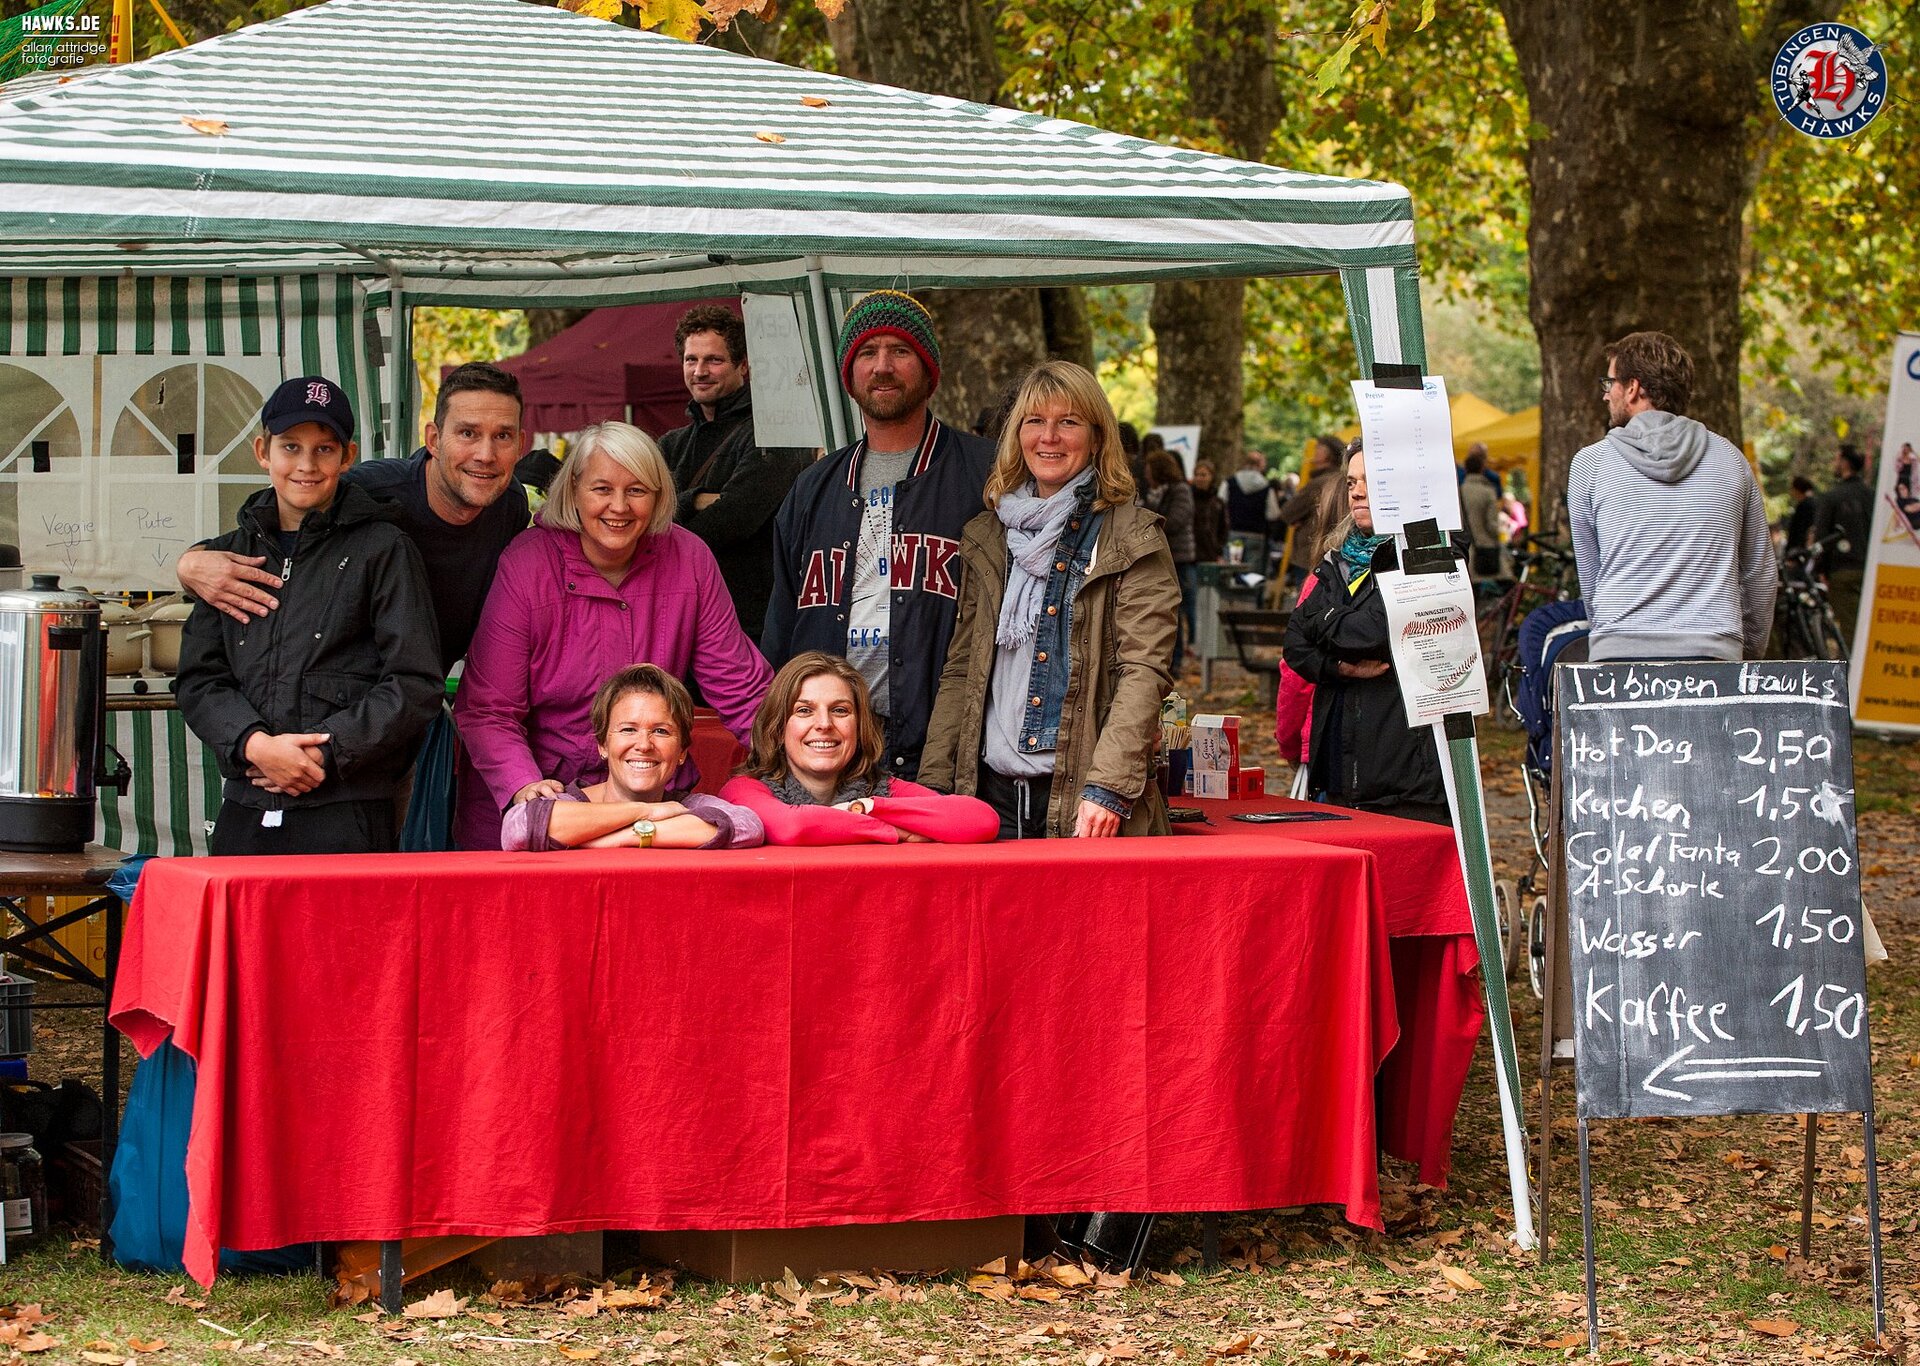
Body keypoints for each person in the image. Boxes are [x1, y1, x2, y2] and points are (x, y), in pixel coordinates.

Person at [454, 421, 773, 851]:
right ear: (573, 492)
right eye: (601, 489)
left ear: (659, 496)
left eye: (637, 490)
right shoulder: (528, 565)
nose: (619, 507)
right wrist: (525, 789)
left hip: (652, 796)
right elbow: (489, 709)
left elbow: (741, 686)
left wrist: (798, 766)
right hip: (540, 800)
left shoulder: (690, 558)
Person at [175, 376, 442, 855]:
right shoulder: (225, 561)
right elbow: (199, 680)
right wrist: (253, 745)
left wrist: (325, 751)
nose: (305, 465)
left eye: (324, 449)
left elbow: (413, 682)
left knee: (345, 933)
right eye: (290, 446)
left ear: (348, 456)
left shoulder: (383, 550)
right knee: (248, 932)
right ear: (262, 450)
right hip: (246, 803)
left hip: (349, 806)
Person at [920, 360, 1180, 840]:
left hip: (1083, 798)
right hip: (988, 798)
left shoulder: (1132, 536)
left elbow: (1143, 670)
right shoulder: (989, 534)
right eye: (1035, 421)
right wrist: (935, 784)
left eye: (1069, 422)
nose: (1049, 437)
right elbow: (963, 668)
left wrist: (1109, 788)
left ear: (1098, 437)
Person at [762, 290, 995, 780]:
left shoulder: (984, 475)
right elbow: (781, 625)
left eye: (900, 351)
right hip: (829, 747)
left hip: (944, 743)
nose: (882, 366)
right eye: (868, 353)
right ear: (849, 375)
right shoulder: (813, 487)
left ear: (929, 370)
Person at [178, 361, 529, 674]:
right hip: (348, 704)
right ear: (434, 440)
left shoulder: (509, 503)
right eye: (468, 433)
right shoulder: (369, 491)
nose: (486, 454)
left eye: (502, 436)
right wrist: (190, 563)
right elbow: (267, 529)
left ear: (520, 444)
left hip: (419, 696)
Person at [1568, 331, 1775, 662]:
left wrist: (1611, 633)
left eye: (1609, 385)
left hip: (1618, 653)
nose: (1606, 396)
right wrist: (1743, 649)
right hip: (1714, 651)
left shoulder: (1590, 464)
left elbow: (1591, 577)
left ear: (1632, 388)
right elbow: (1759, 575)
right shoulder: (1731, 460)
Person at [1281, 441, 1455, 826]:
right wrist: (1341, 668)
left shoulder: (1429, 554)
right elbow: (1294, 644)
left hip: (1406, 781)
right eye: (1351, 482)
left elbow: (1368, 633)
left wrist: (1322, 621)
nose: (1357, 491)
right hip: (1340, 775)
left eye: (1371, 482)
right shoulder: (1339, 556)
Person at [721, 652, 997, 845]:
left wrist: (864, 807)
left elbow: (980, 820)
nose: (824, 724)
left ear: (860, 725)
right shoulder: (743, 789)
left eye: (840, 710)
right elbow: (793, 828)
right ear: (779, 728)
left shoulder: (881, 790)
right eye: (804, 710)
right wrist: (896, 832)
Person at [660, 304, 813, 635]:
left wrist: (673, 506)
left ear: (743, 365)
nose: (699, 371)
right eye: (691, 359)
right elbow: (642, 515)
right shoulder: (670, 445)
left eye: (713, 360)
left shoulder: (773, 435)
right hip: (681, 619)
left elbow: (731, 520)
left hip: (751, 624)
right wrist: (698, 498)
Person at [501, 665, 763, 851]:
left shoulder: (690, 805)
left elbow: (747, 826)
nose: (644, 745)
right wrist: (646, 811)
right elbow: (517, 827)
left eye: (661, 731)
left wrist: (624, 837)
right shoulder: (567, 801)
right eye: (628, 729)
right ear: (602, 744)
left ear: (682, 751)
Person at [1811, 443, 1874, 649]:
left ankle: (1852, 674)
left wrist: (1821, 570)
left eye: (1837, 459)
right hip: (1870, 572)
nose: (1834, 463)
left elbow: (1822, 537)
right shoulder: (1872, 496)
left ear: (1845, 463)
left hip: (1842, 572)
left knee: (1850, 633)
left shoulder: (1832, 498)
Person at [1142, 450, 1197, 672]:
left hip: (1179, 557)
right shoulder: (1152, 493)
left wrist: (1150, 522)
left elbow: (1176, 520)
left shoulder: (1180, 490)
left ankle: (1176, 661)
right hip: (1160, 556)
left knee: (1177, 611)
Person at [1275, 437, 1343, 586]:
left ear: (1327, 454)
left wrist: (1301, 519)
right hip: (1335, 552)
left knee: (1308, 603)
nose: (1314, 453)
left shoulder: (1319, 483)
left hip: (1311, 553)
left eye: (1318, 448)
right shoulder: (1343, 480)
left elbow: (1287, 513)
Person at [1459, 447, 1505, 586]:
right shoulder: (1488, 492)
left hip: (1464, 551)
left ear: (1466, 469)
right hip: (1485, 549)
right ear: (1482, 468)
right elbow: (1492, 525)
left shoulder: (1458, 492)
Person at [1190, 459, 1229, 564]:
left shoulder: (1218, 503)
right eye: (1197, 475)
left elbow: (1223, 529)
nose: (1199, 478)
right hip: (1191, 553)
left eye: (1203, 475)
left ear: (1211, 477)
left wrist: (1218, 551)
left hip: (1210, 553)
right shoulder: (1188, 499)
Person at [1224, 449, 1271, 534]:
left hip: (1234, 530)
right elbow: (1272, 514)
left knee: (1234, 547)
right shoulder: (1267, 487)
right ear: (1260, 465)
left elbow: (1221, 503)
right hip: (1256, 535)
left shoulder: (1230, 482)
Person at [1783, 475, 1818, 552]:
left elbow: (1798, 529)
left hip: (1800, 549)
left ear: (1797, 490)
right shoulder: (1814, 503)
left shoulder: (1804, 506)